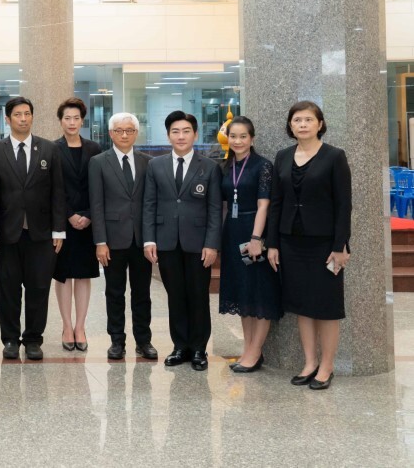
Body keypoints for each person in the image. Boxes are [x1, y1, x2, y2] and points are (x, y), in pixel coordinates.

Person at [267, 101, 351, 390]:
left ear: (320, 124)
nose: (302, 124)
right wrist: (272, 244)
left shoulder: (334, 156)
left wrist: (340, 245)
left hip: (325, 244)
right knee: (302, 305)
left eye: (308, 120)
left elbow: (344, 205)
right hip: (290, 242)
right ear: (290, 126)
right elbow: (276, 203)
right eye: (297, 120)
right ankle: (309, 362)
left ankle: (327, 366)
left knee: (326, 306)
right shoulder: (283, 157)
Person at [0, 96, 66, 361]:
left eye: (27, 114)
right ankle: (10, 339)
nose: (23, 119)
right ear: (7, 119)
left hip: (41, 234)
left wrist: (59, 230)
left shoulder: (48, 149)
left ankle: (33, 339)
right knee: (8, 290)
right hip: (7, 233)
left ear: (32, 116)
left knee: (38, 288)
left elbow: (58, 192)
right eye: (18, 115)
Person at [143, 110, 222, 372]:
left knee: (198, 296)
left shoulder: (209, 166)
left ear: (195, 134)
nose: (181, 136)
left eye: (186, 131)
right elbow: (149, 204)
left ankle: (198, 349)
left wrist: (212, 244)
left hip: (199, 243)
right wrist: (149, 239)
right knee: (175, 295)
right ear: (168, 135)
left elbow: (214, 209)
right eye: (175, 131)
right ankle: (180, 346)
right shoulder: (155, 165)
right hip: (166, 242)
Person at [89, 112, 156, 361]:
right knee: (114, 292)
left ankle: (144, 340)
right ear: (110, 134)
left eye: (129, 130)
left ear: (136, 133)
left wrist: (151, 239)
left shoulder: (148, 162)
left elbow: (151, 203)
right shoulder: (98, 162)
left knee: (142, 293)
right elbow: (96, 204)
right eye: (119, 130)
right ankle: (117, 341)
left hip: (141, 240)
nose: (124, 135)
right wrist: (100, 241)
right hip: (112, 240)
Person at [218, 116, 282, 373]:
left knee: (259, 292)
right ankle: (248, 349)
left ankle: (255, 352)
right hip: (232, 232)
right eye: (233, 136)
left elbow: (264, 205)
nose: (238, 141)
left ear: (252, 139)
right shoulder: (226, 166)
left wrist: (256, 239)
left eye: (243, 136)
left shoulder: (262, 165)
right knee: (243, 293)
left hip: (253, 231)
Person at [52, 97, 101, 352]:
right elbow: (52, 188)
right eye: (67, 118)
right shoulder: (52, 149)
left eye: (76, 118)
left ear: (82, 121)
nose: (72, 122)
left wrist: (89, 214)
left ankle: (80, 327)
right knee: (63, 275)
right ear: (60, 121)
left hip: (88, 222)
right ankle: (66, 326)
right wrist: (69, 215)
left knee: (83, 275)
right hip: (62, 223)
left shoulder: (94, 148)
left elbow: (100, 186)